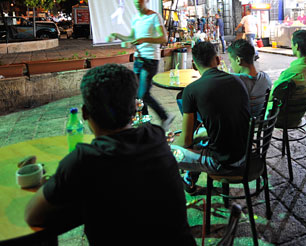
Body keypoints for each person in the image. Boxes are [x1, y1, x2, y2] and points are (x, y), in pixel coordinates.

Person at [24, 64, 196, 245]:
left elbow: (32, 216)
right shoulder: (155, 136)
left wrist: (49, 183)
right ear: (133, 110)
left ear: (84, 112)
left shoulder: (84, 160)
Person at [172, 42, 250, 193]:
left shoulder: (191, 90)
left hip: (222, 162)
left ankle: (180, 187)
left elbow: (185, 141)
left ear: (194, 65)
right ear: (218, 60)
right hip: (246, 153)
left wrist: (172, 142)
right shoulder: (238, 81)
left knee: (167, 153)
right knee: (198, 138)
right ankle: (189, 180)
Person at [109, 0, 174, 130]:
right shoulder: (135, 18)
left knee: (143, 94)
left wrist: (144, 39)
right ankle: (146, 125)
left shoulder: (154, 16)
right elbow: (132, 37)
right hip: (138, 59)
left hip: (150, 59)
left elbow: (163, 38)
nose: (138, 1)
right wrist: (117, 35)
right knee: (137, 95)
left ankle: (164, 117)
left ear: (147, 0)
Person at [228, 39, 272, 117]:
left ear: (238, 60)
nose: (231, 65)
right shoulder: (266, 78)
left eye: (231, 61)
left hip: (240, 126)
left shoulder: (235, 81)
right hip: (258, 124)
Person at [271, 30, 306, 95]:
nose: (291, 46)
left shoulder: (290, 74)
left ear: (296, 46)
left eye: (291, 43)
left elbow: (272, 95)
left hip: (288, 105)